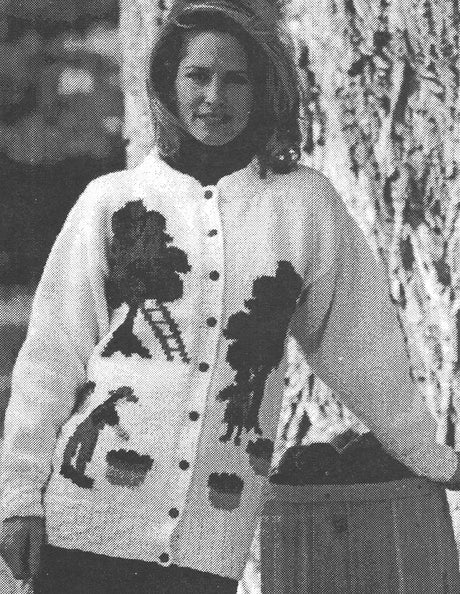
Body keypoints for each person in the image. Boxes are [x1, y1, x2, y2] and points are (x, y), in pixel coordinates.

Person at [1, 0, 460, 592]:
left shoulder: (303, 207)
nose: (214, 97)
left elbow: (362, 346)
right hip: (84, 520)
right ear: (168, 82)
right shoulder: (110, 201)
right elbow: (51, 358)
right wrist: (17, 497)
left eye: (235, 79)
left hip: (209, 536)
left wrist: (431, 456)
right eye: (197, 75)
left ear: (262, 88)